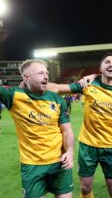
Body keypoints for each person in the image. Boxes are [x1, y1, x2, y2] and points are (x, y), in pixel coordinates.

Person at [47, 53, 112, 198]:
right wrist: (34, 82)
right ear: (101, 68)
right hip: (88, 146)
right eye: (107, 62)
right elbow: (58, 88)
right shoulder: (88, 85)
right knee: (85, 188)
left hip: (111, 147)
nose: (111, 64)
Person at [0, 59, 74, 198]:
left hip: (60, 163)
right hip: (32, 165)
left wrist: (70, 151)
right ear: (26, 77)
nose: (46, 76)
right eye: (40, 73)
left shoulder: (57, 100)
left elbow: (67, 130)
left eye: (46, 73)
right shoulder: (13, 96)